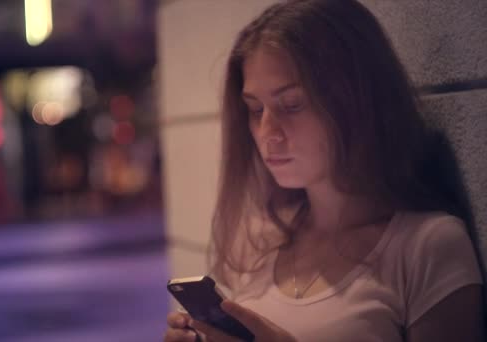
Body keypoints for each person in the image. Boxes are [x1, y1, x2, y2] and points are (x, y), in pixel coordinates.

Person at [164, 0, 485, 341]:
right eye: (255, 109)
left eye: (291, 105)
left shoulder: (427, 247)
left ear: (356, 99)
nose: (267, 132)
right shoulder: (260, 244)